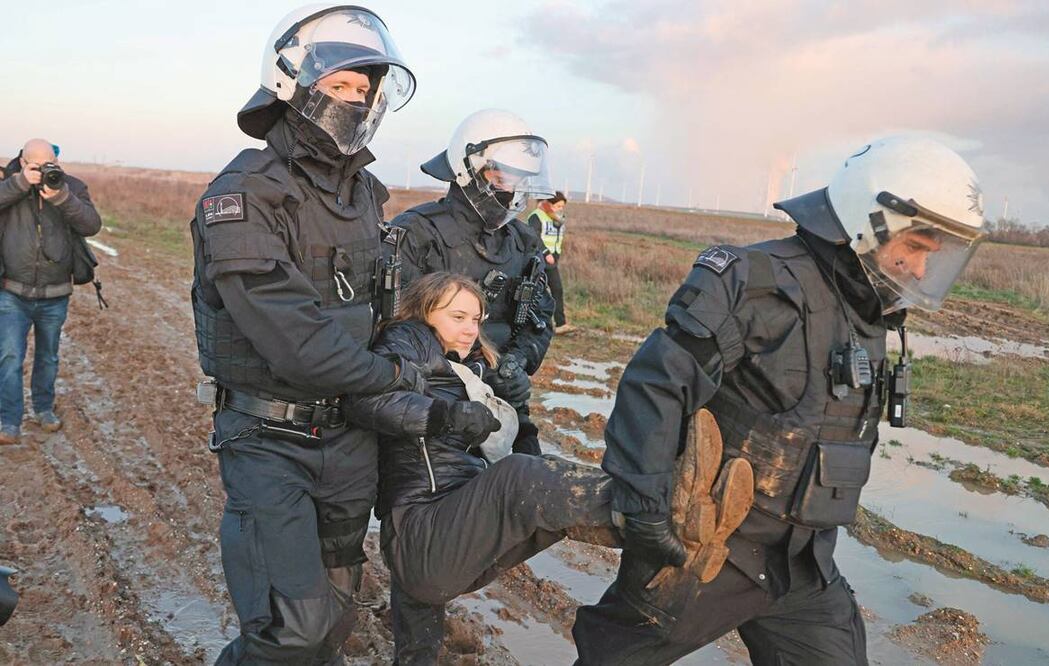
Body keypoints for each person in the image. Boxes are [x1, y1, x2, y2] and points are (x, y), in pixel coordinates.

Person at [572, 136, 989, 665]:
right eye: (915, 249)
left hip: (804, 566)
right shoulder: (755, 282)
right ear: (870, 223)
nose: (921, 271)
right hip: (709, 551)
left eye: (933, 256)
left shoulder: (869, 313)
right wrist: (646, 508)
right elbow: (655, 386)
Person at [188, 6, 426, 663]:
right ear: (291, 87)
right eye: (339, 85)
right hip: (269, 443)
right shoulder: (243, 194)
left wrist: (420, 360)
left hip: (351, 445)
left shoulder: (367, 198)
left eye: (364, 89)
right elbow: (292, 334)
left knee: (331, 628)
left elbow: (389, 313)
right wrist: (396, 382)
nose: (356, 100)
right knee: (288, 631)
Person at [342, 272, 619, 664]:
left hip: (441, 540)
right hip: (421, 532)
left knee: (418, 650)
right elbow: (368, 401)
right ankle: (647, 506)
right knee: (519, 479)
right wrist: (447, 416)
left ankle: (651, 529)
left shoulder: (470, 370)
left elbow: (514, 447)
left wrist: (517, 411)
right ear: (425, 311)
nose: (471, 329)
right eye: (458, 317)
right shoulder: (408, 341)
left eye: (476, 319)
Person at [390, 109, 558, 456]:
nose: (511, 188)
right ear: (470, 170)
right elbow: (394, 329)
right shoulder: (418, 232)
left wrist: (515, 365)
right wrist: (470, 373)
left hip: (503, 405)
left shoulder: (524, 242)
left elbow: (539, 321)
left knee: (527, 493)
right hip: (434, 409)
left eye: (520, 178)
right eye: (502, 175)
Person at [0, 139, 102, 445]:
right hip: (12, 291)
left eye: (50, 165)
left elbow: (91, 225)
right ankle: (9, 421)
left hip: (55, 293)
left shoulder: (70, 186)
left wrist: (62, 198)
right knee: (9, 356)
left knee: (48, 357)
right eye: (37, 166)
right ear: (22, 163)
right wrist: (19, 184)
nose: (45, 171)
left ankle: (44, 409)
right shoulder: (10, 184)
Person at [527, 191, 574, 333]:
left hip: (553, 261)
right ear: (549, 204)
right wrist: (546, 252)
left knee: (557, 290)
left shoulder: (557, 218)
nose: (561, 209)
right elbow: (534, 237)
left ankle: (560, 324)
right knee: (533, 292)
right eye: (558, 206)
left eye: (562, 207)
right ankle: (527, 323)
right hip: (539, 259)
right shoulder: (536, 216)